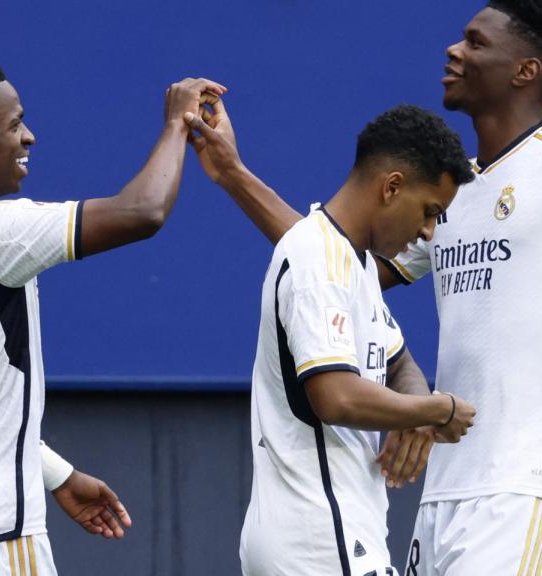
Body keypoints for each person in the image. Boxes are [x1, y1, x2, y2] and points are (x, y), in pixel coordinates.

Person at [183, 0, 542, 572]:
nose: (454, 50)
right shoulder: (451, 193)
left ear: (525, 70)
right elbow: (332, 261)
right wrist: (231, 172)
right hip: (443, 492)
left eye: (475, 42)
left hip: (529, 486)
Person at [0, 44, 224, 574]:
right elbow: (142, 211)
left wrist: (55, 473)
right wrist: (178, 123)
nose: (28, 136)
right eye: (13, 125)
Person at [192, 104, 477, 576]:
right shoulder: (317, 258)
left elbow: (398, 361)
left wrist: (414, 406)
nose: (427, 231)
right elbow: (335, 396)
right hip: (321, 539)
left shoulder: (354, 262)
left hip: (329, 534)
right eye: (429, 212)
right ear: (392, 186)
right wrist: (438, 410)